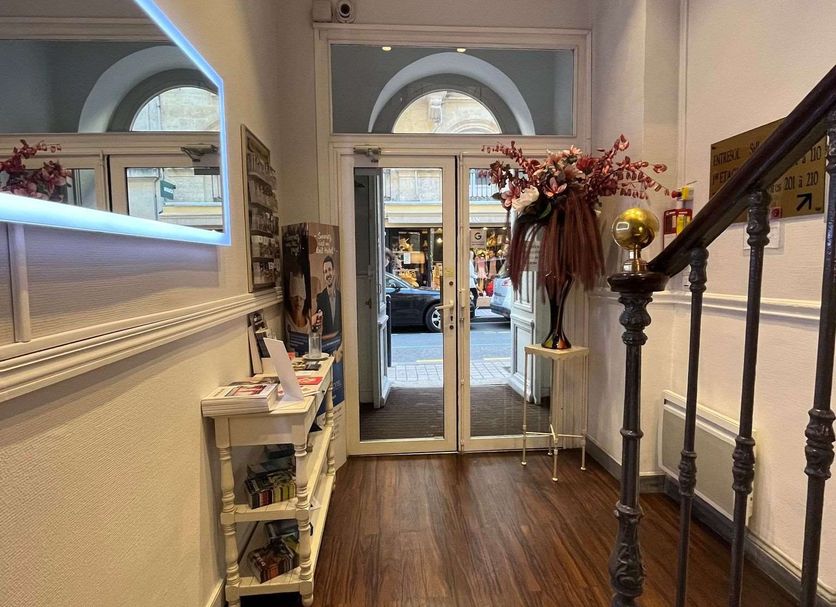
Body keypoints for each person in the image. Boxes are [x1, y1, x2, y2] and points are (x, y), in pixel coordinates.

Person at [315, 255, 342, 336]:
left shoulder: (340, 296)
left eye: (329, 270)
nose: (328, 274)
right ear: (324, 275)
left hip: (339, 340)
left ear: (334, 271)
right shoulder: (320, 298)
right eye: (325, 271)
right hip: (326, 341)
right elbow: (316, 325)